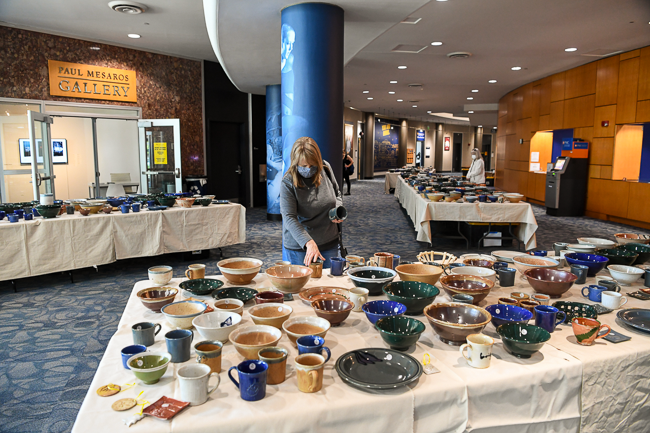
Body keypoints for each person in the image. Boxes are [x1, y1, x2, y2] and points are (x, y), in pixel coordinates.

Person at [281, 137, 344, 268]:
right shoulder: (288, 182)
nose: (309, 169)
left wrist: (337, 209)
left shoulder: (325, 169)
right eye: (303, 166)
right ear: (295, 163)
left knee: (329, 286)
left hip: (329, 241)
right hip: (301, 247)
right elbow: (289, 218)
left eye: (312, 165)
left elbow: (337, 194)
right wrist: (308, 242)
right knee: (305, 287)